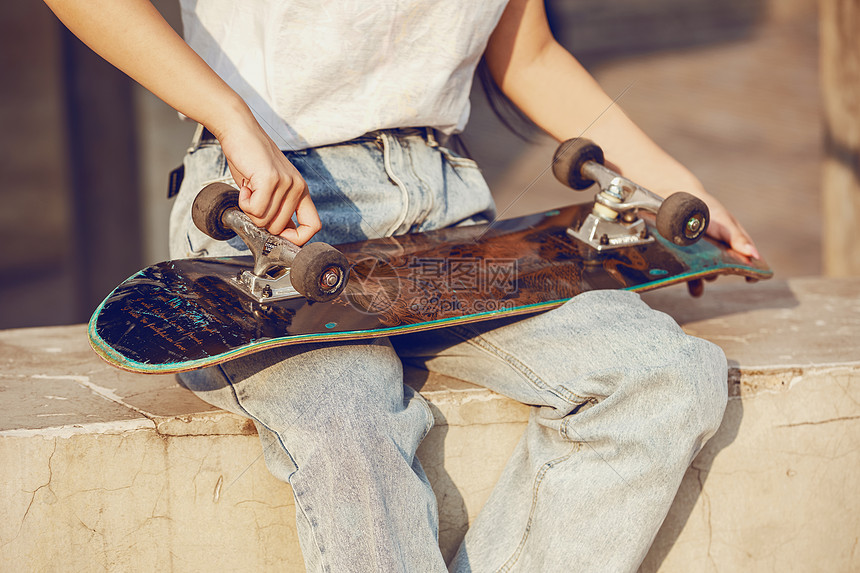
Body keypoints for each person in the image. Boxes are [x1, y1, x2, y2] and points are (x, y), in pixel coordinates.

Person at [46, 0, 760, 570]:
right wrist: (229, 114)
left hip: (447, 217)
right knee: (345, 414)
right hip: (270, 213)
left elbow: (530, 54)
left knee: (664, 376)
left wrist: (674, 186)